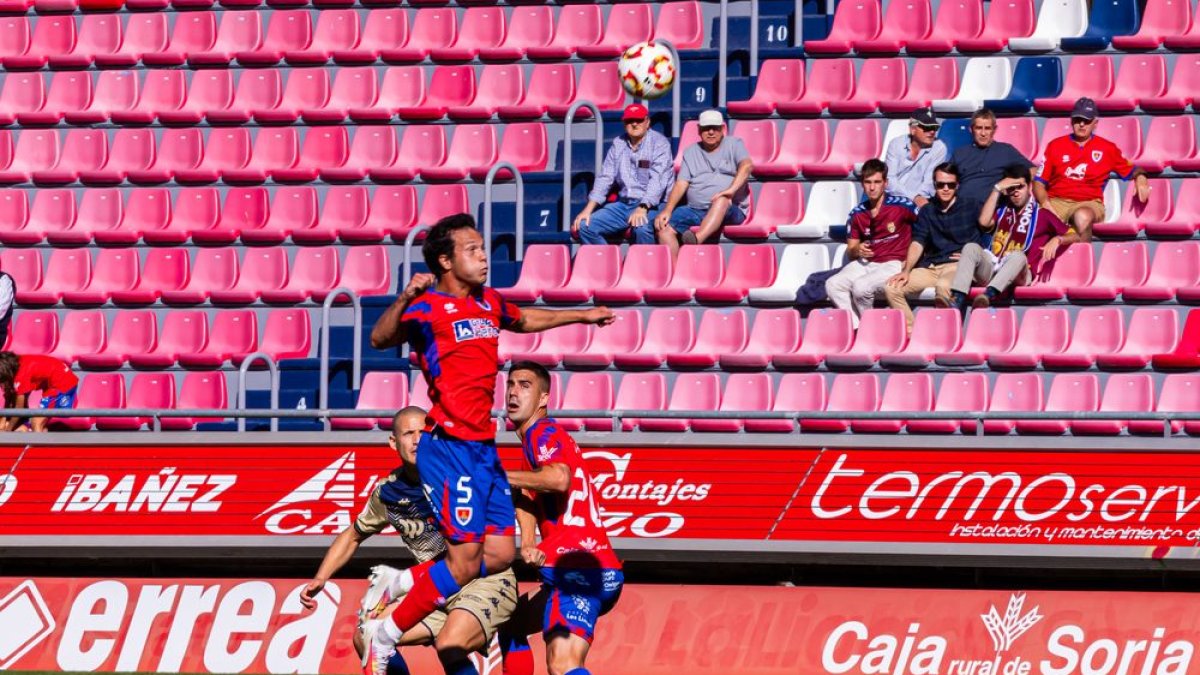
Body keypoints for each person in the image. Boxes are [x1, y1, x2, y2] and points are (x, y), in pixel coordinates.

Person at [364, 213, 614, 675]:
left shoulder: (488, 302)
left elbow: (526, 319)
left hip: (484, 450)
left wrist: (582, 313)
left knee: (498, 555)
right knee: (463, 562)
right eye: (473, 250)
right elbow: (381, 338)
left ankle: (404, 581)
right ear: (445, 260)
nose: (484, 257)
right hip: (451, 446)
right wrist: (405, 296)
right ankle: (386, 634)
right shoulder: (428, 307)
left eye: (483, 248)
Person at [301, 407, 519, 675]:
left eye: (422, 432)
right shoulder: (388, 492)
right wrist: (321, 578)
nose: (417, 440)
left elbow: (518, 498)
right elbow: (353, 534)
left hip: (485, 581)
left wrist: (529, 541)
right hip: (434, 589)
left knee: (450, 643)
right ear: (394, 442)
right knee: (365, 636)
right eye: (408, 433)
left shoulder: (459, 476)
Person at [498, 361, 623, 675]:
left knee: (563, 663)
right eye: (510, 384)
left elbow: (558, 479)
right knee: (511, 623)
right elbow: (527, 493)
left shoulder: (543, 431)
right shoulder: (535, 444)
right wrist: (527, 543)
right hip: (583, 567)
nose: (513, 392)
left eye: (525, 386)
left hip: (577, 567)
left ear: (543, 399)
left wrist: (495, 475)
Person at [952, 164, 1079, 309]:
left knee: (1017, 256)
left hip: (1021, 274)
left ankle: (988, 295)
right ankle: (957, 298)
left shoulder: (1043, 214)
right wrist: (996, 189)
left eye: (1020, 187)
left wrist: (1058, 239)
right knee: (971, 248)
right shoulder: (1002, 211)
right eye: (1011, 188)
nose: (1016, 192)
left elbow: (1075, 235)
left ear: (1029, 187)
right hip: (994, 268)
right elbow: (984, 222)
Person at [1034, 97, 1150, 242]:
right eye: (1077, 119)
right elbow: (1039, 182)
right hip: (1057, 201)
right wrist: (1046, 204)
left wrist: (1141, 178)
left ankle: (1082, 260)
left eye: (1087, 120)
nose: (1081, 124)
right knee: (1032, 223)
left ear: (1095, 123)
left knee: (1083, 216)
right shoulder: (1055, 145)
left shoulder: (1107, 148)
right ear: (1071, 121)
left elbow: (1132, 169)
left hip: (1088, 202)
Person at [885, 163, 983, 332]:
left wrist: (970, 257)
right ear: (934, 185)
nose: (946, 189)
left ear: (957, 185)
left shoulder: (971, 205)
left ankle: (947, 337)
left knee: (944, 286)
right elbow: (918, 242)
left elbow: (989, 230)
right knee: (891, 287)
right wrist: (907, 270)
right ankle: (912, 333)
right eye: (940, 185)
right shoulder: (927, 210)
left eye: (950, 185)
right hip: (931, 267)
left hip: (957, 266)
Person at [824, 159, 917, 328]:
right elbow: (851, 250)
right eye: (868, 182)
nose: (872, 187)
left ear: (885, 183)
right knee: (833, 284)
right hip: (867, 262)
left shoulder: (903, 206)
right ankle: (857, 328)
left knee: (861, 287)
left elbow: (924, 232)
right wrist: (857, 250)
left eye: (877, 182)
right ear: (862, 184)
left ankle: (871, 330)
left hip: (894, 263)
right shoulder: (857, 213)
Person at [651, 109, 754, 258]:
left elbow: (747, 166)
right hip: (695, 209)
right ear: (699, 130)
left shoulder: (734, 144)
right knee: (663, 228)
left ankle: (696, 240)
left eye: (715, 128)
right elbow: (681, 183)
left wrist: (730, 191)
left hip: (730, 209)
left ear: (722, 129)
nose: (710, 132)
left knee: (722, 199)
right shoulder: (690, 151)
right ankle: (675, 276)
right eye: (706, 128)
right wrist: (668, 209)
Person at [572, 104, 674, 245]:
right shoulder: (618, 143)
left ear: (647, 122)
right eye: (629, 121)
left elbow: (658, 180)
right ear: (624, 123)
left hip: (654, 204)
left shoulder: (659, 143)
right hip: (624, 203)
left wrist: (643, 207)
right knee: (585, 226)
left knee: (641, 228)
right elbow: (605, 177)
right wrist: (588, 210)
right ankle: (608, 263)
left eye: (638, 120)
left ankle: (648, 266)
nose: (634, 124)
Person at [952, 107, 1036, 206]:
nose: (983, 133)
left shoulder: (1005, 150)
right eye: (979, 128)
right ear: (971, 129)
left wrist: (1012, 181)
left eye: (987, 128)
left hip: (991, 210)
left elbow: (1034, 170)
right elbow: (946, 178)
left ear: (994, 130)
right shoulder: (960, 153)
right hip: (961, 208)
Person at [884, 107, 948, 208]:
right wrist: (913, 197)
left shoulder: (939, 147)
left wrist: (916, 200)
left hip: (922, 201)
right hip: (893, 198)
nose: (932, 132)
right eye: (927, 128)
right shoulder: (896, 144)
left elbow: (929, 183)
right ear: (913, 129)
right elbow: (889, 180)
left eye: (934, 128)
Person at [0, 352, 78, 432]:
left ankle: (39, 444)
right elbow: (13, 400)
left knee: (36, 421)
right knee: (32, 425)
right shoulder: (15, 365)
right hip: (58, 381)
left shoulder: (21, 375)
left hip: (62, 383)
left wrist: (8, 430)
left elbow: (19, 408)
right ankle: (41, 437)